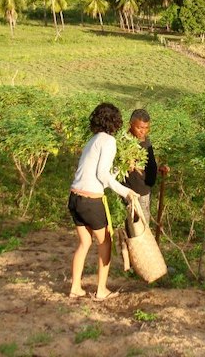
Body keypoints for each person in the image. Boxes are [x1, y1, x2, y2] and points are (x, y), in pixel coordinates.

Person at [68, 102, 139, 301]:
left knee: (84, 243)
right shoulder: (108, 141)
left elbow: (101, 176)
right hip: (91, 200)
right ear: (115, 121)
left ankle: (75, 287)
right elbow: (102, 175)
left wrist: (121, 168)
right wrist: (127, 192)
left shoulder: (92, 141)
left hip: (75, 198)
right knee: (105, 242)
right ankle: (101, 290)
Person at [117, 109, 170, 270]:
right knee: (136, 228)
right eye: (140, 127)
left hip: (145, 189)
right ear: (130, 125)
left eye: (146, 128)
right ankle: (139, 265)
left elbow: (148, 164)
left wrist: (158, 168)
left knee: (143, 226)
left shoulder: (146, 141)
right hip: (132, 191)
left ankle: (142, 263)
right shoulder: (124, 144)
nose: (143, 131)